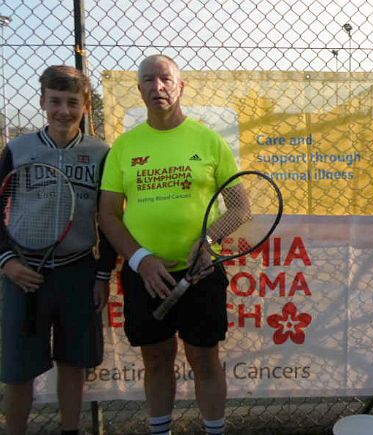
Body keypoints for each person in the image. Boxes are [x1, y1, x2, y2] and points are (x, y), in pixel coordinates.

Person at [99, 54, 238, 435]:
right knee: (156, 361)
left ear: (181, 86)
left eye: (166, 79)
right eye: (148, 80)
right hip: (147, 278)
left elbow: (241, 206)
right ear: (139, 88)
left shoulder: (208, 140)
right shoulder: (125, 147)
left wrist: (208, 242)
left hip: (201, 274)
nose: (157, 87)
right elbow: (109, 215)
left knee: (205, 361)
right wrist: (141, 260)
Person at [0, 65, 116, 435]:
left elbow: (110, 219)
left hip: (77, 271)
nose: (63, 110)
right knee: (18, 370)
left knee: (72, 363)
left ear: (85, 105)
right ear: (42, 102)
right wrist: (7, 261)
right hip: (23, 274)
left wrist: (102, 273)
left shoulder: (101, 153)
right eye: (55, 101)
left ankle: (71, 430)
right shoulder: (18, 149)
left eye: (72, 102)